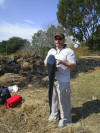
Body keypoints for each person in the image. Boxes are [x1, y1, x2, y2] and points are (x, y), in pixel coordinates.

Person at [44, 33, 76, 128]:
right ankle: (54, 115)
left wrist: (62, 62)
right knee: (53, 99)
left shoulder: (69, 51)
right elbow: (45, 62)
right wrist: (51, 63)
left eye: (60, 39)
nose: (57, 41)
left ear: (64, 40)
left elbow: (73, 66)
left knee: (63, 101)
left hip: (63, 81)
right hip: (52, 80)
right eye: (56, 39)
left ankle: (66, 120)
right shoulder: (51, 51)